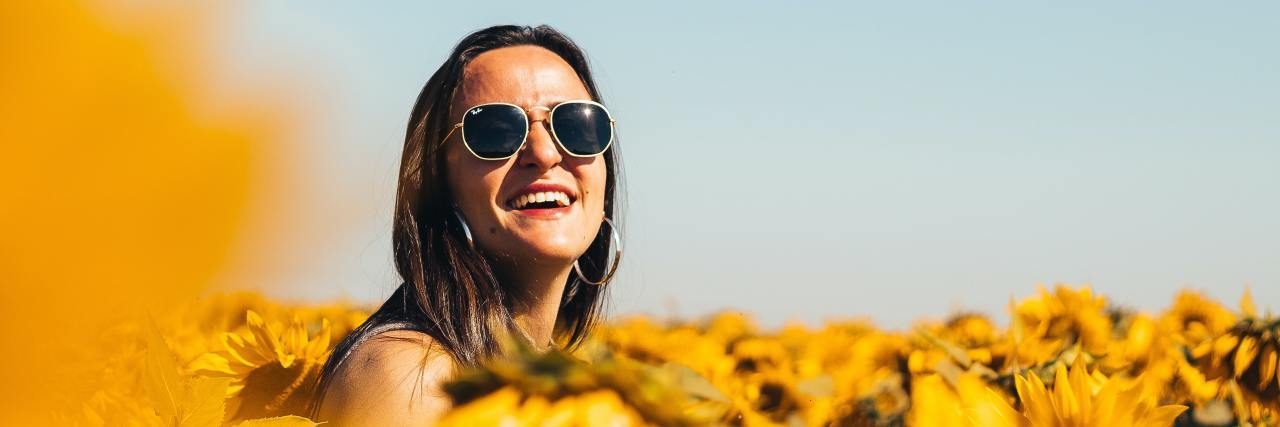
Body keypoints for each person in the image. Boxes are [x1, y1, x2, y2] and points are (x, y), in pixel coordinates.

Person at [309, 25, 623, 425]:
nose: (544, 153)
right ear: (437, 182)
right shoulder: (411, 378)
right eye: (495, 131)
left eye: (577, 126)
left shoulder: (566, 385)